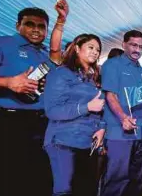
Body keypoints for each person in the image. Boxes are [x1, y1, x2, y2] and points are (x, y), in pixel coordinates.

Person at [0, 0, 68, 196]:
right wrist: (8, 82)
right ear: (18, 25)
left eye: (41, 26)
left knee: (39, 179)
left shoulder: (45, 54)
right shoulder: (0, 44)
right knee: (8, 181)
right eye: (29, 24)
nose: (36, 29)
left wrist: (61, 20)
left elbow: (55, 50)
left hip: (42, 125)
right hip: (6, 123)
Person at [101, 30, 142, 196]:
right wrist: (123, 117)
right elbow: (110, 95)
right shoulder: (112, 65)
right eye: (133, 45)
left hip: (141, 134)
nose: (137, 49)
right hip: (119, 133)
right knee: (116, 180)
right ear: (124, 45)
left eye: (141, 46)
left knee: (137, 180)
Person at [43, 34, 106, 196]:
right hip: (63, 141)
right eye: (90, 47)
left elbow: (100, 108)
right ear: (77, 48)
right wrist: (87, 107)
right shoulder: (61, 73)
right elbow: (52, 110)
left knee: (85, 189)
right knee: (64, 190)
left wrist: (101, 128)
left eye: (98, 50)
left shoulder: (93, 79)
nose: (95, 52)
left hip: (87, 142)